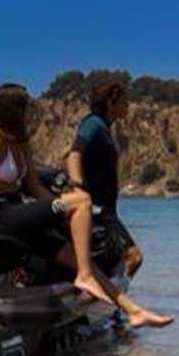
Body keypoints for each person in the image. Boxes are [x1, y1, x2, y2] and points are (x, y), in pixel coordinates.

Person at [0, 82, 171, 328]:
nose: (32, 111)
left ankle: (133, 311)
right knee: (82, 200)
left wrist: (61, 209)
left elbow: (34, 187)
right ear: (13, 110)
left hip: (17, 210)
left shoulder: (20, 143)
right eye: (27, 107)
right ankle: (84, 277)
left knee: (80, 253)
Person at [65, 80, 144, 276]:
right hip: (99, 210)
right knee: (132, 257)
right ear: (111, 103)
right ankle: (111, 302)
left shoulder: (105, 128)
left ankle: (100, 300)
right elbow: (74, 154)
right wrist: (77, 187)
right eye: (124, 103)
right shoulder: (93, 124)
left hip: (107, 210)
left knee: (109, 261)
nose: (127, 107)